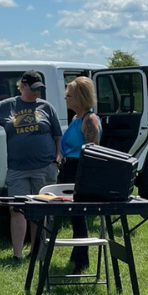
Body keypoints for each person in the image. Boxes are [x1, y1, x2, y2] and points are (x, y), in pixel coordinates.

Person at [0, 70, 62, 261]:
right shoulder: (9, 105)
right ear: (22, 86)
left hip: (44, 167)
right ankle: (17, 254)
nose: (37, 92)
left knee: (39, 210)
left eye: (39, 89)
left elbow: (57, 136)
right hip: (17, 169)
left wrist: (57, 158)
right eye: (33, 89)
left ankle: (37, 251)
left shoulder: (46, 107)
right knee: (17, 210)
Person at [59, 77, 102, 272]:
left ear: (78, 97)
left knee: (79, 215)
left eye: (68, 95)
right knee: (74, 216)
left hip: (80, 170)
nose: (65, 98)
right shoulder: (76, 119)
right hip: (69, 169)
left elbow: (93, 151)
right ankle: (77, 254)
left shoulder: (89, 119)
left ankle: (82, 260)